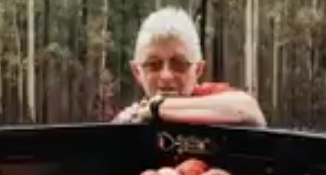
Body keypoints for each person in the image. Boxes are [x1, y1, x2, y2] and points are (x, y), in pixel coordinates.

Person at [114, 7, 266, 127]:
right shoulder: (128, 121)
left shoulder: (211, 97)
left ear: (198, 70)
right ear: (137, 72)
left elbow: (247, 108)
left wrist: (155, 109)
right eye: (153, 65)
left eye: (179, 64)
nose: (166, 75)